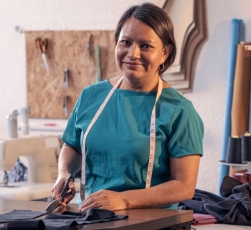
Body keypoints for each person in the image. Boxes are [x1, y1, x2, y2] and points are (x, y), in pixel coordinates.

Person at [51, 2, 204, 212]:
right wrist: (64, 173)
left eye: (146, 46)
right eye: (126, 42)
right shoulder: (90, 96)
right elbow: (73, 146)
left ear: (165, 53)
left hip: (151, 223)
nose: (133, 53)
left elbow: (184, 186)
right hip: (89, 218)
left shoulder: (178, 110)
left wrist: (124, 200)